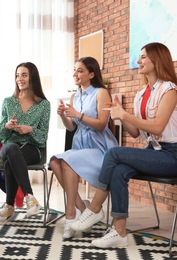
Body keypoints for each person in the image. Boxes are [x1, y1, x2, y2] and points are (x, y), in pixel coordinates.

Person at [70, 42, 177, 248]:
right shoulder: (141, 94)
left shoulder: (169, 90)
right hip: (153, 152)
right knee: (119, 170)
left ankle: (95, 208)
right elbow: (134, 133)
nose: (138, 61)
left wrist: (125, 115)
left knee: (114, 153)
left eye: (143, 57)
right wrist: (120, 115)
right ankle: (119, 231)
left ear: (157, 60)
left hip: (173, 156)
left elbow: (158, 127)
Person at [49, 57, 118, 239]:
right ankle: (83, 209)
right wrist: (64, 115)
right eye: (75, 70)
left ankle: (70, 215)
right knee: (55, 162)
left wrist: (78, 114)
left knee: (68, 161)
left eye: (80, 70)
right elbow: (72, 127)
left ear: (92, 74)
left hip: (99, 147)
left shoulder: (101, 93)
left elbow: (102, 124)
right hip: (80, 145)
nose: (75, 74)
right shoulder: (75, 95)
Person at [0, 62, 50, 225]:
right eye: (17, 75)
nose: (20, 79)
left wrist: (30, 129)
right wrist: (6, 126)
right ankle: (29, 197)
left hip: (32, 149)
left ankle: (9, 206)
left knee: (12, 160)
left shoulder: (44, 105)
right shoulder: (8, 101)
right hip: (9, 146)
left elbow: (43, 136)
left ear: (32, 77)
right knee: (11, 149)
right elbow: (1, 135)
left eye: (24, 75)